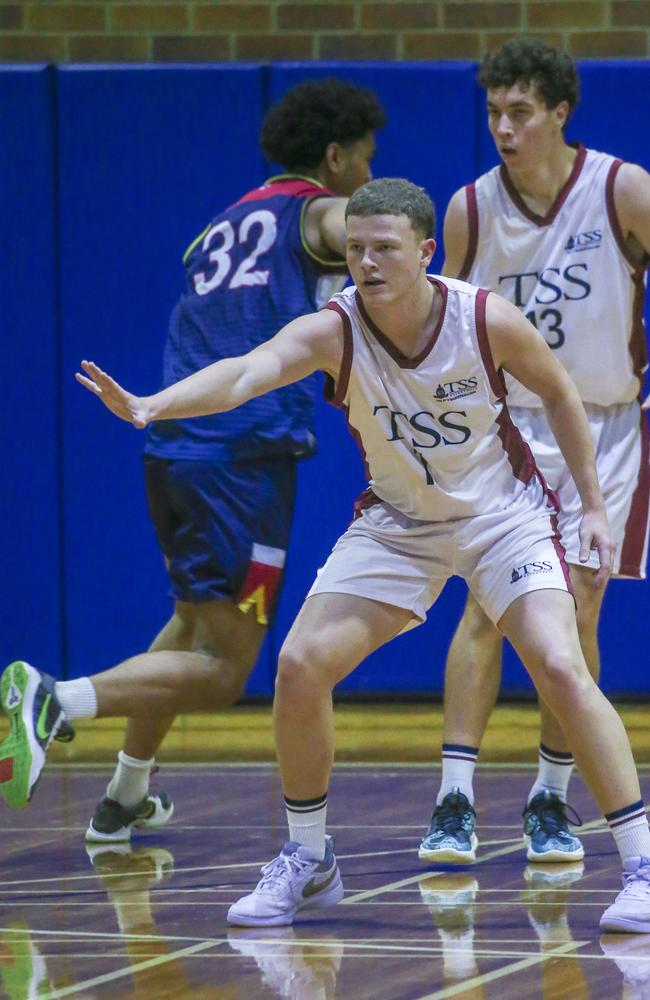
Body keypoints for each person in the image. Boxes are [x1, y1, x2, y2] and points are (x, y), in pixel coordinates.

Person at [30, 176, 650, 934]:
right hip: (398, 522)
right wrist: (158, 404)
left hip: (503, 517)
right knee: (299, 665)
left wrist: (590, 503)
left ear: (425, 252)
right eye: (355, 248)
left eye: (384, 248)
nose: (366, 262)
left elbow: (557, 393)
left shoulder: (484, 318)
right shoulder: (336, 328)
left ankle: (642, 865)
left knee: (558, 664)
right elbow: (250, 370)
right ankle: (309, 861)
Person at [0, 79, 385, 838]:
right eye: (368, 161)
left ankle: (124, 795)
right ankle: (53, 700)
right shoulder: (316, 214)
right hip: (239, 460)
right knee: (223, 671)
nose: (371, 176)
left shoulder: (221, 224)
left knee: (187, 629)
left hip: (176, 451)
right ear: (334, 157)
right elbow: (362, 223)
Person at [419, 38, 650, 868]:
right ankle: (454, 798)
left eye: (520, 112)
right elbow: (447, 322)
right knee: (487, 607)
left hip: (605, 423)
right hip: (508, 427)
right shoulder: (469, 210)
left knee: (580, 605)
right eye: (493, 113)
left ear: (560, 113)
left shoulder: (623, 190)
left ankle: (550, 799)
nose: (504, 129)